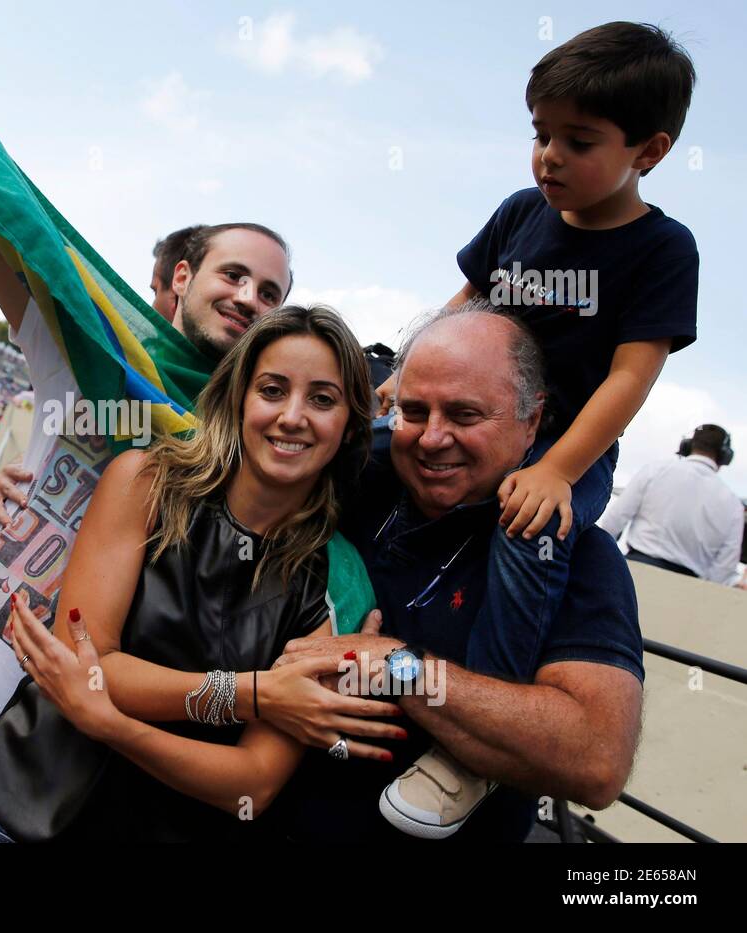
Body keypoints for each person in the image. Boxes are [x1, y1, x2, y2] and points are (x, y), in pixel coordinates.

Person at [0, 17, 294, 842]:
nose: (249, 299)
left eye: (271, 293)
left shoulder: (250, 435)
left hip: (68, 732)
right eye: (235, 274)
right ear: (184, 278)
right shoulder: (86, 350)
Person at [367, 22, 698, 832]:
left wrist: (556, 471)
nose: (548, 155)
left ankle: (469, 756)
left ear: (648, 151)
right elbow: (465, 306)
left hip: (564, 446)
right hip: (474, 413)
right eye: (540, 134)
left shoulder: (662, 248)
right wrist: (400, 380)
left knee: (529, 532)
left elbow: (631, 376)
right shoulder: (520, 214)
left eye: (576, 140)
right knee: (352, 445)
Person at [0, 304, 383, 843]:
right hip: (10, 816)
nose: (292, 415)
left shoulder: (339, 580)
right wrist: (256, 693)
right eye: (271, 389)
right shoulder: (145, 481)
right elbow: (88, 661)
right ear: (238, 397)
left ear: (352, 423)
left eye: (322, 399)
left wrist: (110, 725)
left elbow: (253, 786)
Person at [265, 303, 644, 842]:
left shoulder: (575, 553)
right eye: (414, 412)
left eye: (466, 416)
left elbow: (595, 759)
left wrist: (395, 665)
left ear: (532, 419)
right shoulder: (348, 484)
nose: (432, 438)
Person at [599, 424, 743, 584]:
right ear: (725, 457)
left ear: (687, 446)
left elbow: (613, 523)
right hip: (689, 588)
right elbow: (724, 568)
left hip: (633, 572)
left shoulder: (654, 471)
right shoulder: (733, 504)